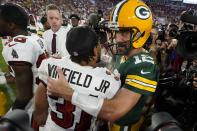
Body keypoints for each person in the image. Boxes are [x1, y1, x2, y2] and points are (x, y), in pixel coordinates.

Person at [47, 0, 160, 131]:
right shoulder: (122, 54)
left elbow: (114, 111)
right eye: (116, 31)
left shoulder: (145, 65)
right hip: (107, 119)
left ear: (141, 33)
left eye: (124, 33)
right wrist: (69, 61)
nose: (117, 38)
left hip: (124, 126)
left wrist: (69, 94)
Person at [33, 26, 121, 131]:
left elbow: (39, 109)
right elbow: (108, 115)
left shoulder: (50, 64)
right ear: (94, 49)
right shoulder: (107, 80)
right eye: (98, 44)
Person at [0, 3, 47, 111]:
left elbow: (25, 96)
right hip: (43, 93)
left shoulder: (17, 46)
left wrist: (10, 118)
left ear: (11, 25)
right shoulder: (34, 37)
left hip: (35, 103)